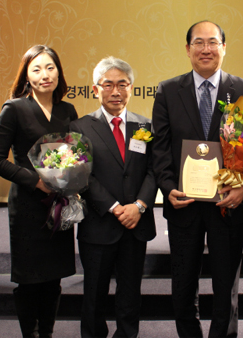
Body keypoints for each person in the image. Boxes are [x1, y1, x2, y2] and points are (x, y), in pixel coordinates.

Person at [152, 20, 243, 338]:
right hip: (184, 203)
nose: (206, 49)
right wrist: (168, 188)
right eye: (198, 43)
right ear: (188, 49)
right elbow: (160, 148)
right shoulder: (168, 91)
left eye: (212, 42)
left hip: (228, 203)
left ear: (223, 48)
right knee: (183, 282)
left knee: (225, 283)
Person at [0, 45, 78, 338]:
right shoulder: (14, 108)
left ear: (59, 72)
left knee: (53, 279)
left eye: (50, 67)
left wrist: (73, 176)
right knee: (29, 280)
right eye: (36, 69)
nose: (44, 75)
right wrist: (35, 181)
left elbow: (76, 154)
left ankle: (46, 334)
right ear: (27, 75)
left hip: (59, 205)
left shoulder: (67, 110)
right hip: (28, 206)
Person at [70, 57, 157, 338]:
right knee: (94, 293)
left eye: (123, 84)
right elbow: (82, 175)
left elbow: (154, 171)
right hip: (99, 224)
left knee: (130, 293)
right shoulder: (80, 128)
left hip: (136, 224)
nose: (116, 91)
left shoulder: (145, 126)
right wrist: (115, 207)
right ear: (96, 89)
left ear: (131, 88)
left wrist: (139, 206)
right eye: (108, 85)